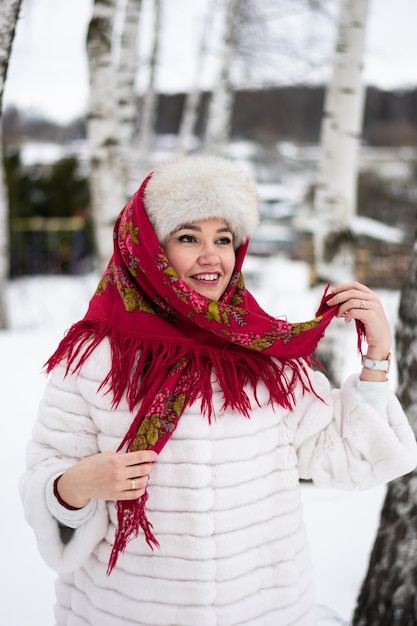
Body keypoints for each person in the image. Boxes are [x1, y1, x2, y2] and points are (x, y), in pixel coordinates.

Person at [20, 155, 417, 626]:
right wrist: (78, 485)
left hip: (266, 612)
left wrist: (376, 356)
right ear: (149, 248)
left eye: (223, 239)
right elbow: (47, 478)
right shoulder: (95, 358)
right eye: (189, 237)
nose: (212, 256)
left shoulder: (263, 351)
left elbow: (346, 459)